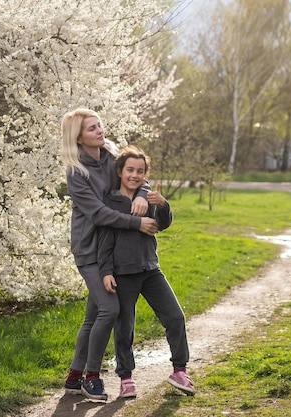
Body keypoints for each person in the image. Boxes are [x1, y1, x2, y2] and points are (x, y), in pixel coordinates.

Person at [60, 109, 160, 401]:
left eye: (100, 125)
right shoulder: (77, 173)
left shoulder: (111, 156)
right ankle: (92, 377)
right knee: (110, 310)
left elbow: (136, 175)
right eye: (92, 129)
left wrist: (142, 195)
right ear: (78, 138)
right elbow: (99, 213)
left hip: (113, 249)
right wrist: (137, 223)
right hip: (90, 250)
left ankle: (73, 376)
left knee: (93, 318)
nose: (100, 131)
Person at [98, 145, 195, 397]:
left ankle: (180, 371)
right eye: (130, 169)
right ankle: (126, 378)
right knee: (124, 328)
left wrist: (162, 204)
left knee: (175, 317)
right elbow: (105, 240)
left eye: (140, 171)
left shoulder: (149, 196)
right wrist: (106, 271)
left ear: (145, 174)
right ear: (120, 171)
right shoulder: (110, 201)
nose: (135, 175)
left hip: (151, 270)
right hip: (122, 274)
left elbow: (163, 224)